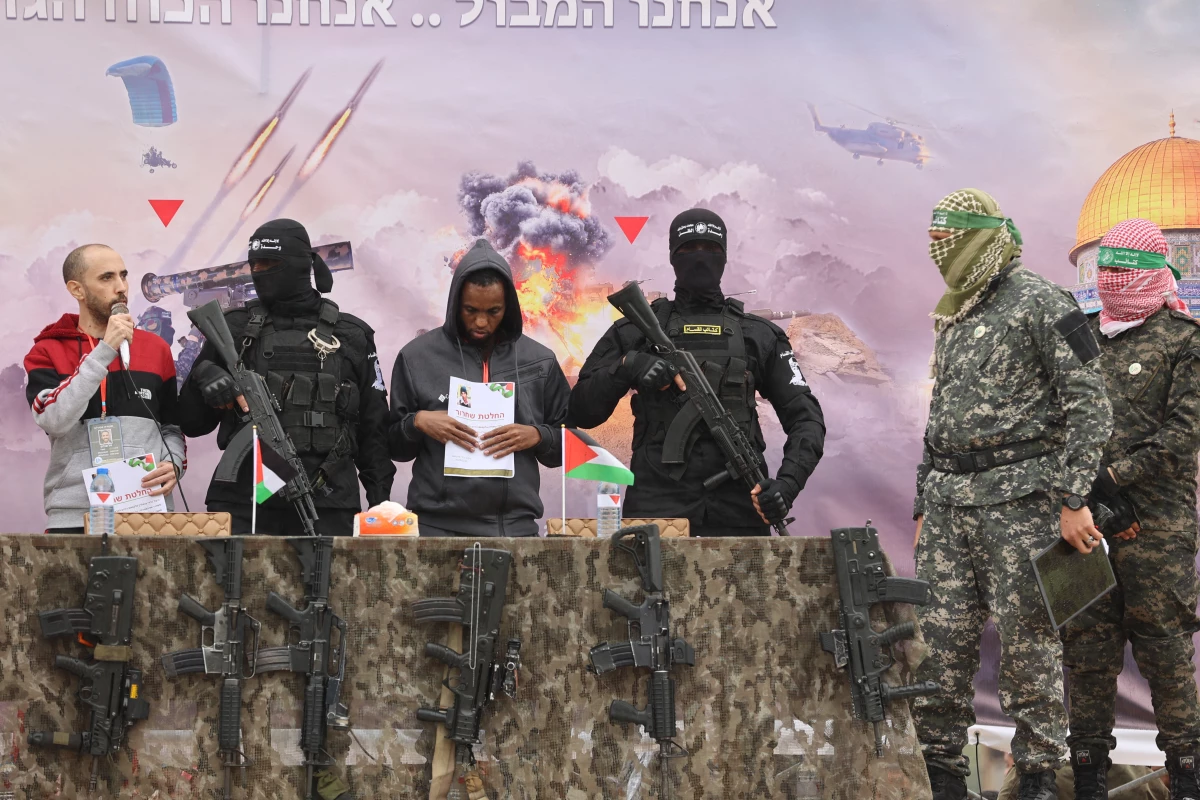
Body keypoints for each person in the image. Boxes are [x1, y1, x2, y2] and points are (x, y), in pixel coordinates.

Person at [911, 189, 1113, 800]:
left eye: (949, 236)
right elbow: (939, 417)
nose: (937, 248)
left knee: (1030, 649)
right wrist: (924, 503)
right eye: (933, 236)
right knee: (937, 646)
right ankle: (940, 773)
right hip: (950, 506)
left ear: (982, 237)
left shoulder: (1045, 302)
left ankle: (1036, 778)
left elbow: (1091, 405)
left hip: (1022, 504)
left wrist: (1074, 497)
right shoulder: (954, 310)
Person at [568, 208, 825, 536]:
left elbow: (807, 420)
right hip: (657, 506)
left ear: (725, 257)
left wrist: (786, 486)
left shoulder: (759, 335)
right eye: (688, 249)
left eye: (711, 249)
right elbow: (579, 411)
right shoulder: (634, 331)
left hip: (741, 504)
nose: (700, 258)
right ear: (673, 256)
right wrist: (627, 367)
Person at [1061, 218, 1200, 800]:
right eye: (1108, 268)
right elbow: (1052, 417)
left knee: (1165, 648)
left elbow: (1184, 432)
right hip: (1077, 522)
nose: (1116, 280)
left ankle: (1187, 773)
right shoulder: (1078, 336)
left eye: (1128, 269)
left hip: (1157, 528)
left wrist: (1112, 478)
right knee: (1085, 648)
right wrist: (1074, 493)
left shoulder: (1185, 341)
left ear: (1157, 271)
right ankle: (1087, 773)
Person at [178, 219, 394, 535]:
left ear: (299, 264)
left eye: (270, 263)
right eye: (255, 264)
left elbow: (374, 432)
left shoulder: (351, 335)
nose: (260, 271)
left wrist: (380, 507)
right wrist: (204, 376)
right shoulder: (235, 328)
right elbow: (192, 423)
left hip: (328, 503)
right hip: (245, 505)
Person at [387, 238, 570, 537]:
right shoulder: (417, 357)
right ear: (455, 304)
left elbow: (567, 445)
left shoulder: (540, 361)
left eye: (494, 311)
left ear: (509, 306)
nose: (481, 322)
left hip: (514, 529)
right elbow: (394, 447)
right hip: (435, 528)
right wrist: (417, 422)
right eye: (470, 310)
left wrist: (538, 435)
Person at [24, 244, 184, 532]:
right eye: (106, 278)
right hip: (75, 516)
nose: (121, 287)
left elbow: (171, 426)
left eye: (123, 275)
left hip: (147, 512)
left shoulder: (157, 348)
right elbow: (54, 420)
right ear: (77, 290)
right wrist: (104, 350)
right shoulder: (47, 350)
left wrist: (174, 464)